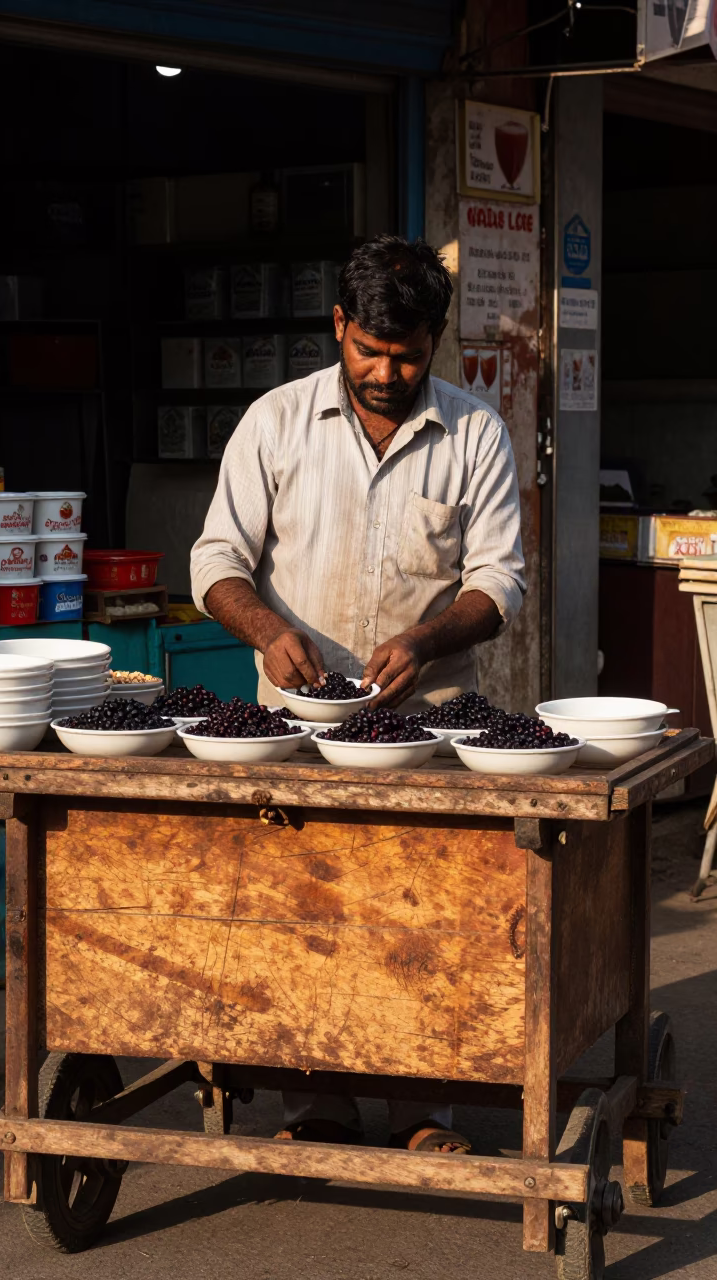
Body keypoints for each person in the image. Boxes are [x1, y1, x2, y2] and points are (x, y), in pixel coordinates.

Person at [191, 234, 525, 1154]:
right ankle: (319, 1105)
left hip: (429, 730)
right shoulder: (275, 422)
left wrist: (428, 636)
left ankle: (423, 1109)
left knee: (423, 918)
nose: (385, 371)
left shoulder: (476, 433)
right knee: (310, 913)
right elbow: (217, 559)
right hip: (293, 729)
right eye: (368, 350)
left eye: (407, 354)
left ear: (436, 342)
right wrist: (267, 630)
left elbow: (500, 581)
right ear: (339, 327)